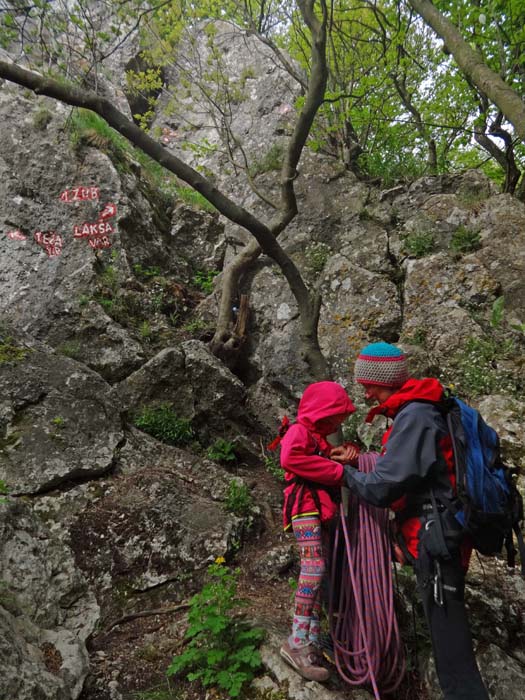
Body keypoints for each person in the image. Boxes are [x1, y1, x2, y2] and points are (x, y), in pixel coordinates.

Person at [331, 342, 490, 700]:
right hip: (439, 534)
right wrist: (360, 461)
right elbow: (410, 470)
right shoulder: (422, 409)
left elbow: (384, 487)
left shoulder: (415, 416)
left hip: (436, 540)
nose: (366, 392)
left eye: (369, 384)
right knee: (448, 638)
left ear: (385, 380)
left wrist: (340, 474)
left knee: (452, 649)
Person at [270, 381, 359, 683]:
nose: (338, 423)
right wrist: (338, 471)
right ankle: (296, 640)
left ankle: (310, 637)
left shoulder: (316, 437)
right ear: (322, 413)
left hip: (318, 509)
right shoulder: (298, 431)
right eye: (336, 417)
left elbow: (314, 459)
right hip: (304, 507)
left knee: (322, 574)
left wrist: (343, 456)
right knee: (314, 567)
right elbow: (289, 458)